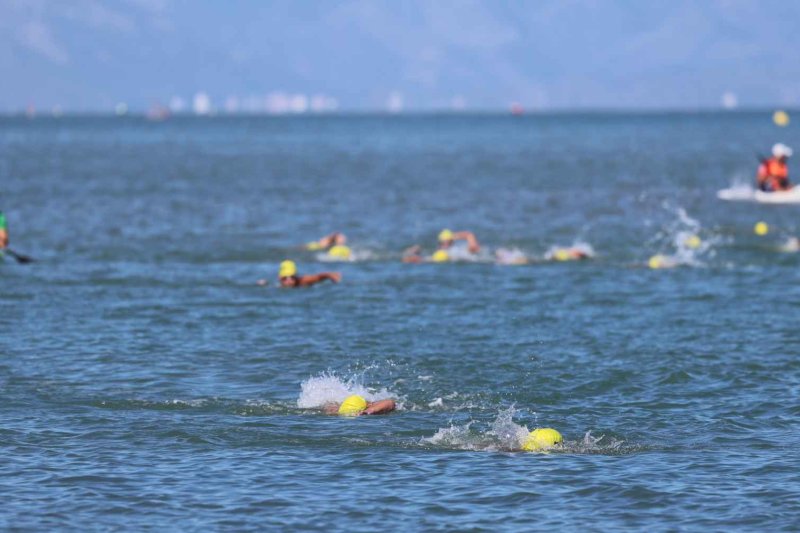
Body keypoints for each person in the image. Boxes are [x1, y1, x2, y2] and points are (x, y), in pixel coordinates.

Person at [403, 229, 481, 263]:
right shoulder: (440, 252)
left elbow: (470, 235)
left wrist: (455, 235)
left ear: (451, 242)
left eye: (447, 242)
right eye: (442, 243)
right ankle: (413, 253)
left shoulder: (460, 251)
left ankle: (412, 255)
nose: (444, 245)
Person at [267, 259, 341, 287]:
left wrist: (330, 275)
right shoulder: (277, 286)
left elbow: (318, 277)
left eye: (292, 277)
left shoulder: (302, 281)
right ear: (279, 278)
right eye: (285, 278)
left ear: (296, 276)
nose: (289, 280)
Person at [322, 394, 396, 416]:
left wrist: (370, 410)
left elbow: (390, 403)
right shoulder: (340, 411)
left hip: (360, 404)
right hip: (345, 407)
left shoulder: (370, 407)